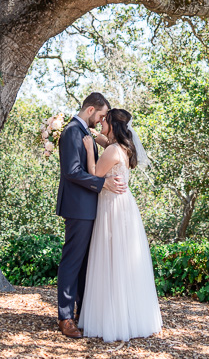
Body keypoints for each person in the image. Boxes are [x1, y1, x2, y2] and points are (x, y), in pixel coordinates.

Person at [78, 108, 162, 342]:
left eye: (104, 121)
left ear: (113, 125)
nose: (101, 123)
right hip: (125, 206)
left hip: (111, 206)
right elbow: (106, 140)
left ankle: (111, 320)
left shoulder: (113, 150)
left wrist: (87, 149)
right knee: (122, 260)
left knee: (110, 258)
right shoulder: (125, 148)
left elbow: (94, 173)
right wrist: (95, 135)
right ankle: (129, 316)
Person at [56, 92, 126, 339]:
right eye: (101, 115)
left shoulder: (85, 132)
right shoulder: (72, 132)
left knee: (86, 264)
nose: (101, 120)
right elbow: (72, 173)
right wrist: (103, 184)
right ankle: (65, 317)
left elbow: (112, 150)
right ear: (90, 110)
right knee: (73, 262)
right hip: (78, 208)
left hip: (90, 207)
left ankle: (83, 313)